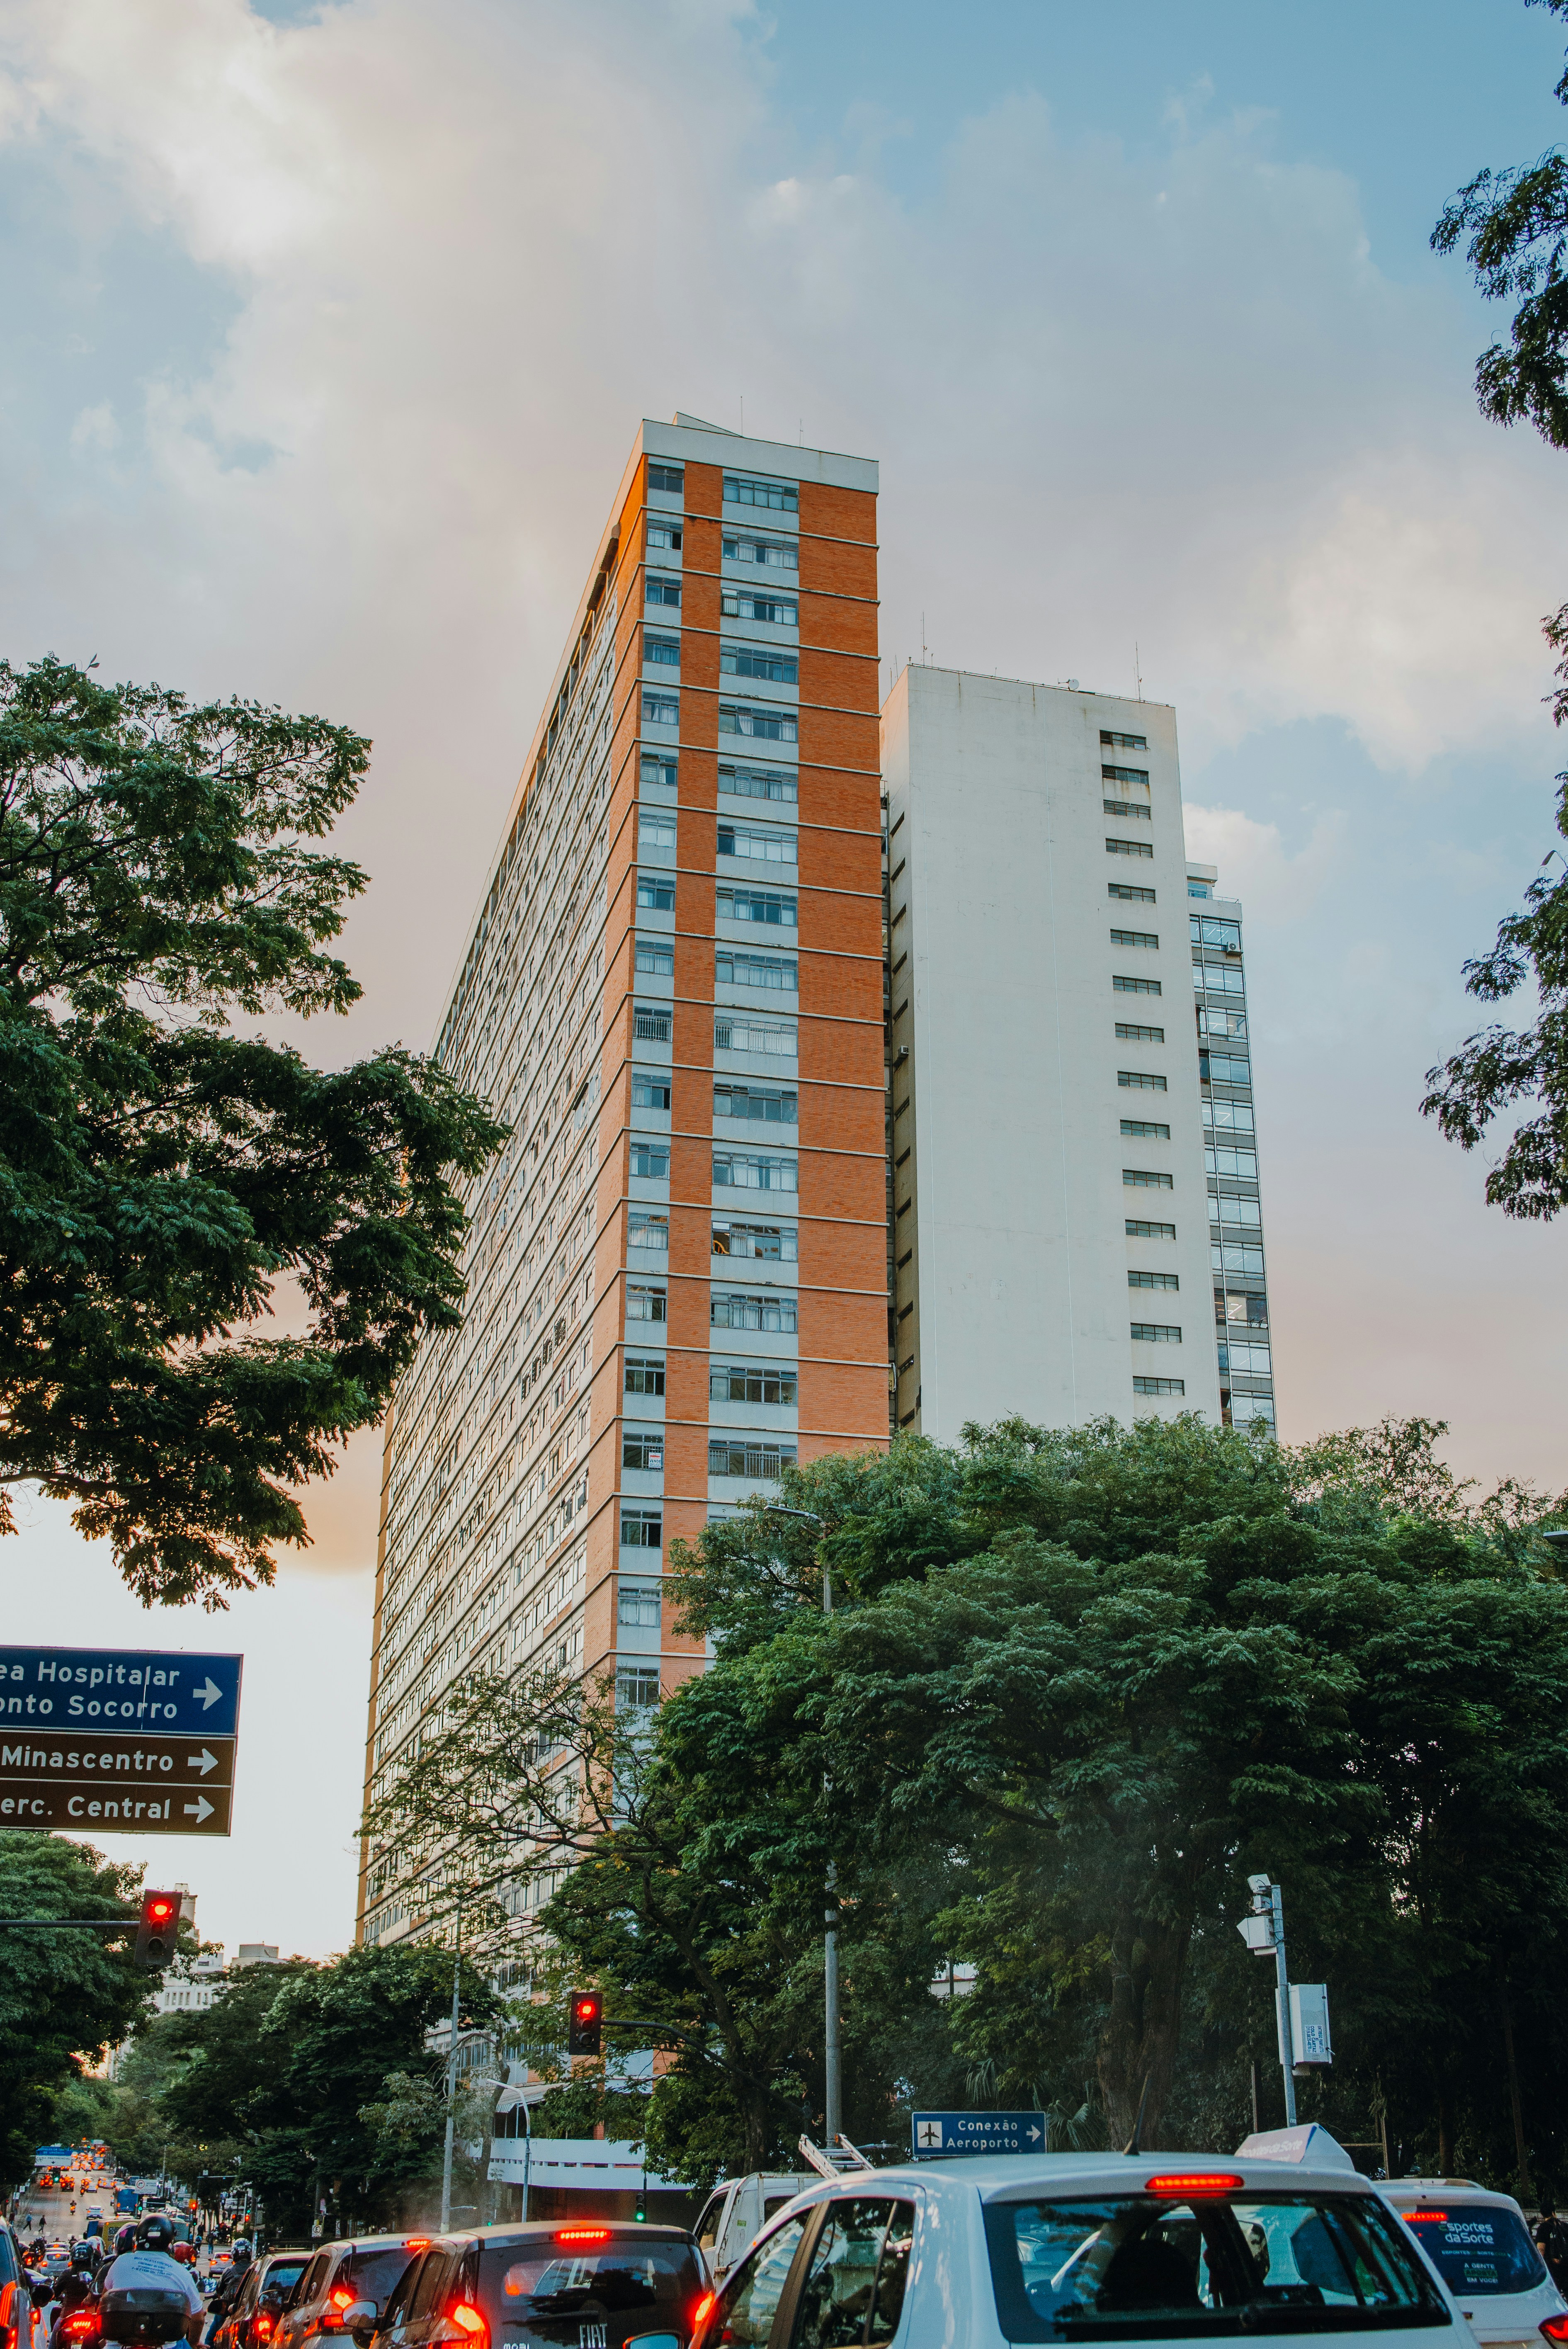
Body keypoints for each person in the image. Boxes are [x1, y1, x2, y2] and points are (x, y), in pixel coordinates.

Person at [97, 2218, 206, 2348]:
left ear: (137, 2239)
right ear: (170, 2242)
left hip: (118, 2344)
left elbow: (104, 2300)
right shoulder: (182, 2272)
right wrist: (193, 2344)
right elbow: (198, 2319)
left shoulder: (120, 2262)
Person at [1535, 2203, 1568, 2294]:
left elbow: (1541, 2250)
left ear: (1542, 2215)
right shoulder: (1565, 2226)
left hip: (1552, 2270)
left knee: (1553, 2296)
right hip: (1566, 2268)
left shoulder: (1543, 2228)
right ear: (1554, 2213)